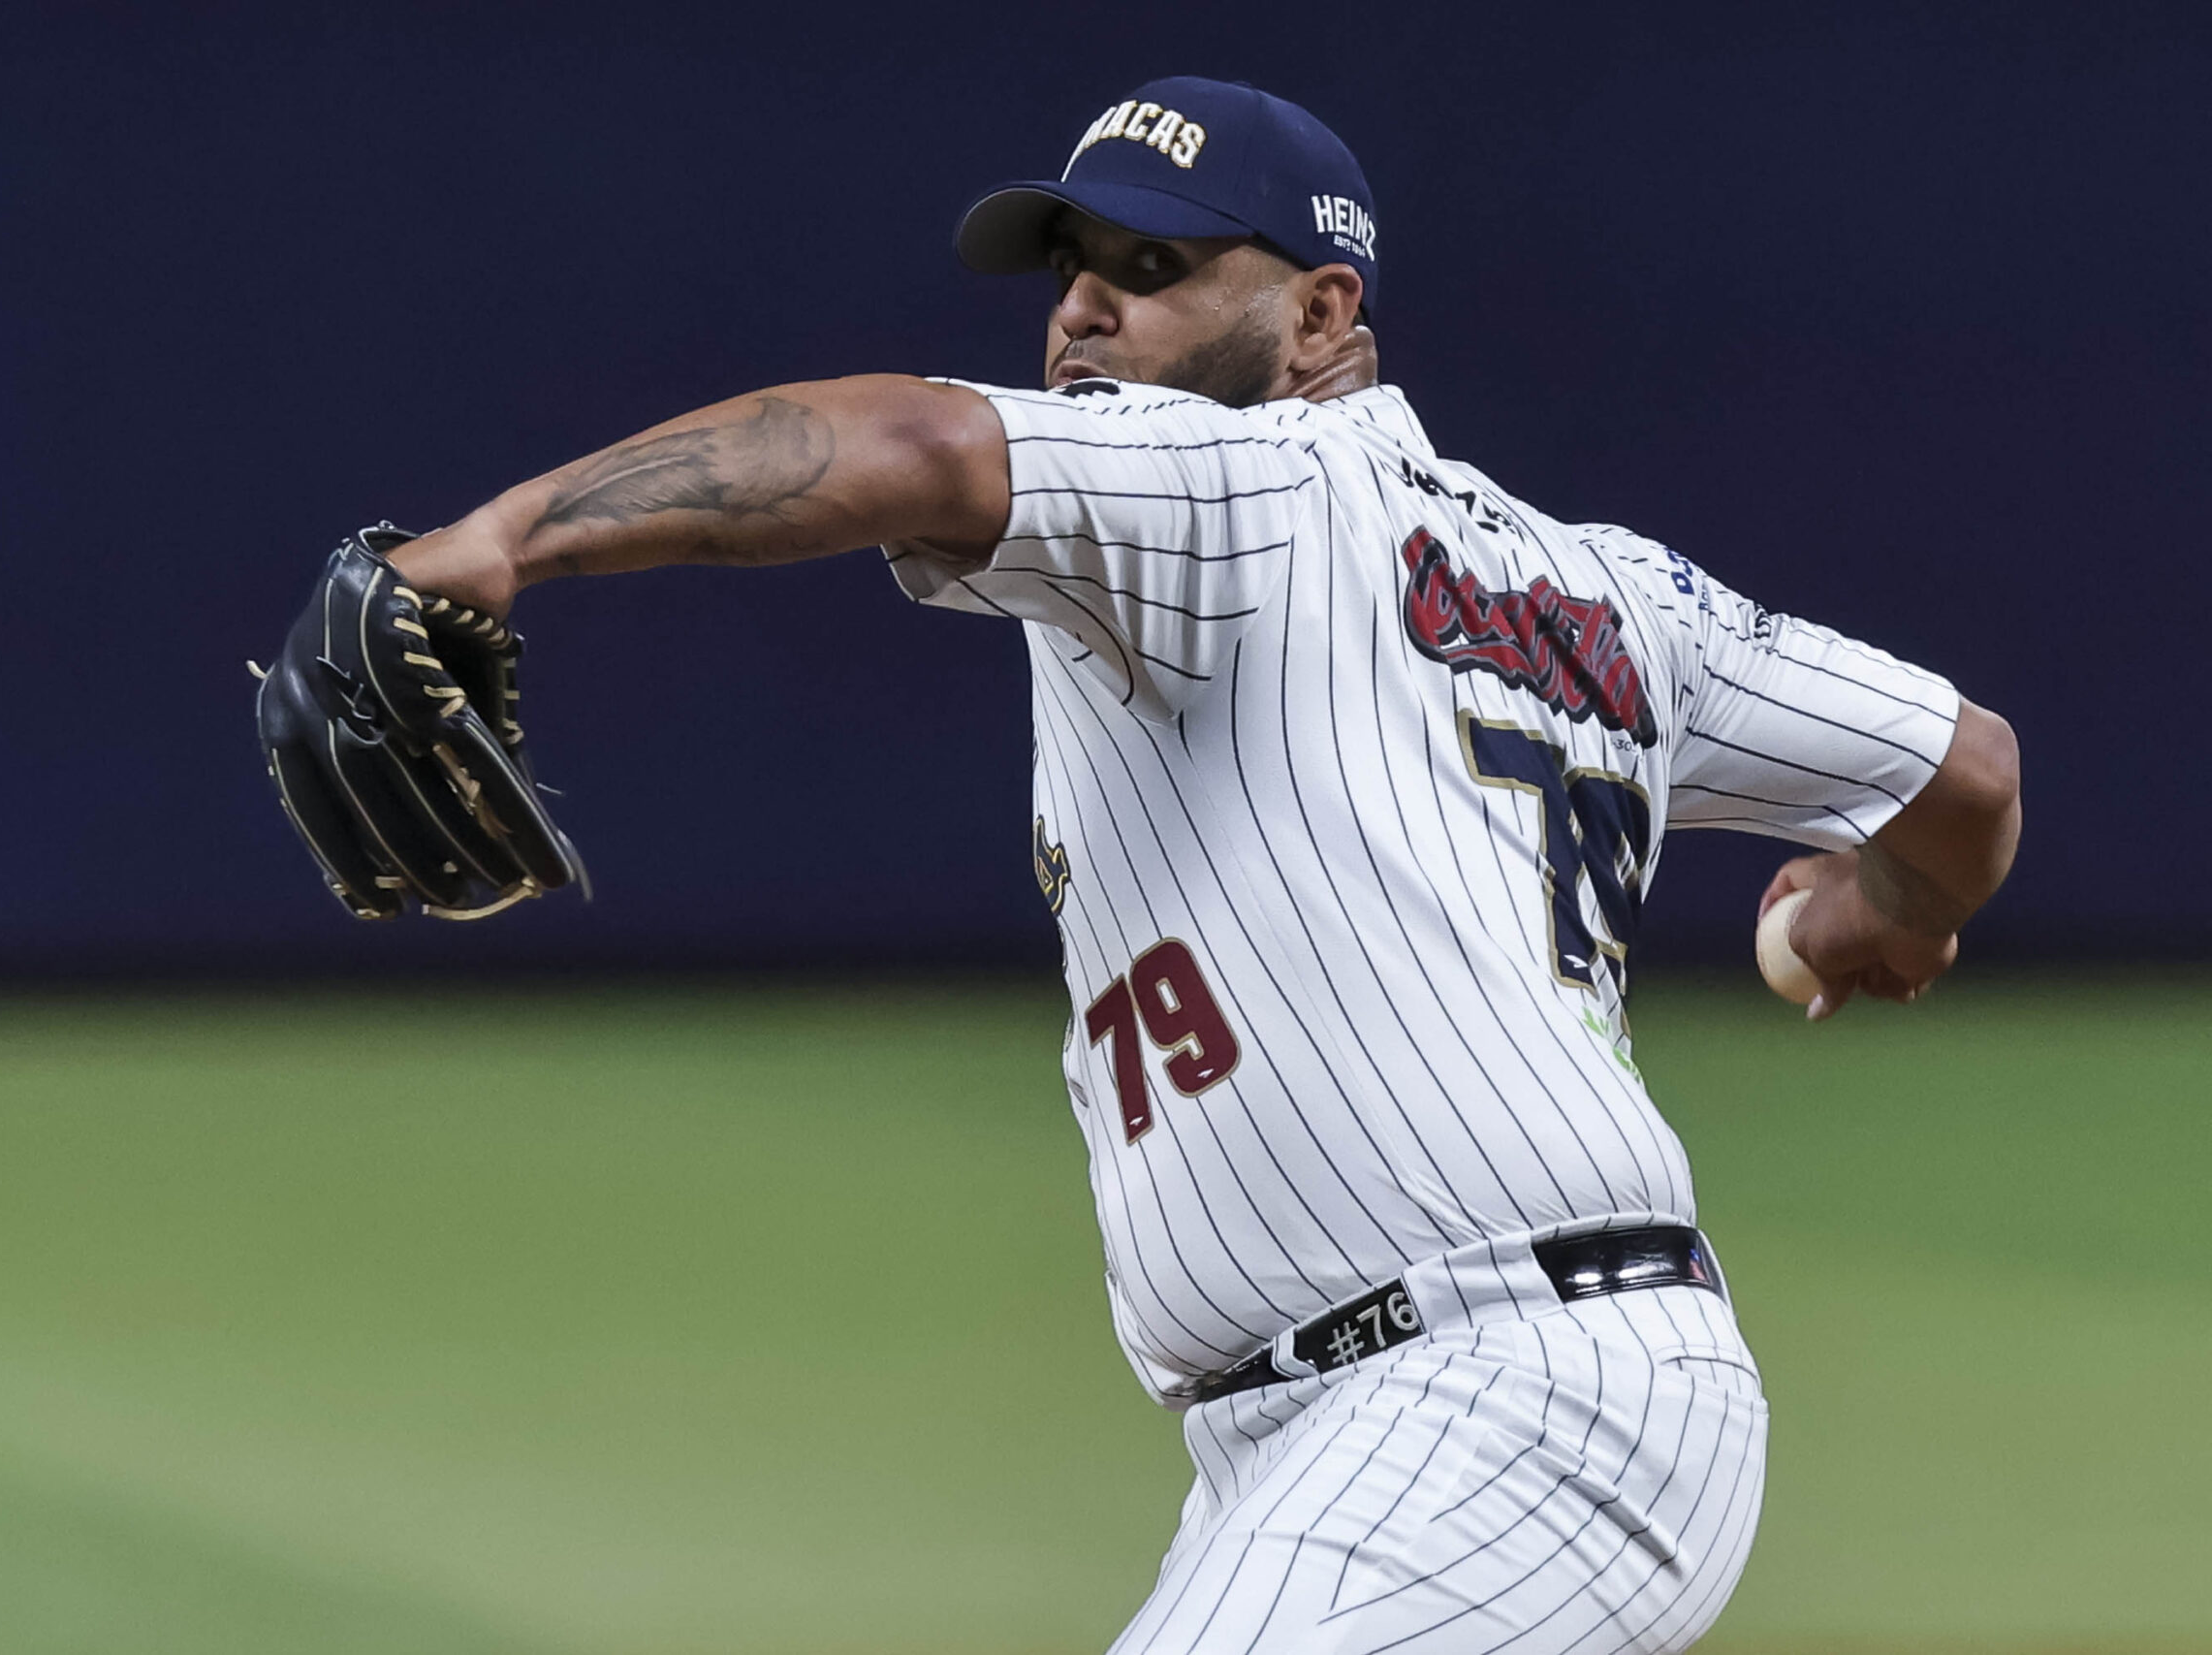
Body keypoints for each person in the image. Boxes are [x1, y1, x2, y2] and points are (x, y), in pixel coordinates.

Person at [379, 75, 2020, 1655]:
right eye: (1070, 268)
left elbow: (908, 444)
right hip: (1379, 1430)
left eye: (1153, 268)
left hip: (1496, 1396)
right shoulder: (1616, 598)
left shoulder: (1231, 483)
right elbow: (1966, 770)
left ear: (1318, 319)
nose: (1084, 310)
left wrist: (506, 537)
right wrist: (1891, 905)